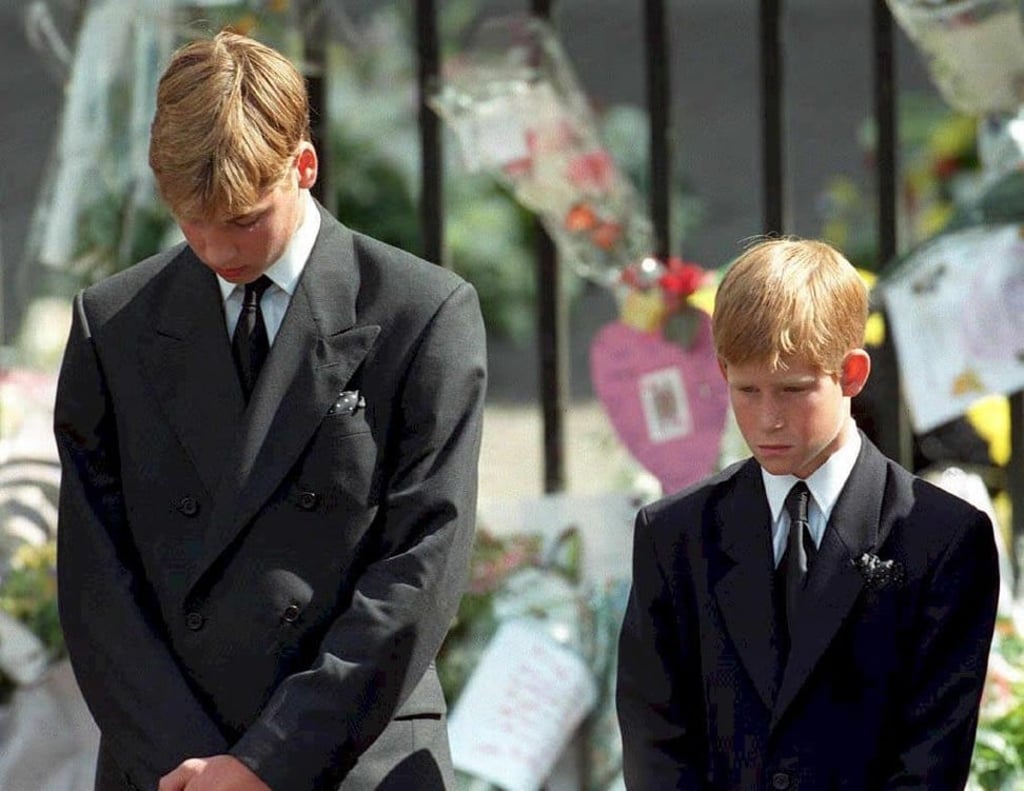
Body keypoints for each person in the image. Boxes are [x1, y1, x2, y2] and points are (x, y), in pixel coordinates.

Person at [53, 30, 486, 791]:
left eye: (246, 218)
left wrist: (266, 762)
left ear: (304, 167)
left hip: (352, 756)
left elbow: (420, 566)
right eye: (193, 221)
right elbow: (95, 582)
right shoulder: (112, 325)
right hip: (168, 766)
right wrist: (191, 766)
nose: (219, 247)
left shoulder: (423, 314)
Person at [615, 237, 999, 789]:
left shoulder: (940, 538)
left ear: (852, 375)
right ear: (722, 370)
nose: (767, 418)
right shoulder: (674, 536)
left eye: (793, 390)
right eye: (746, 390)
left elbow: (932, 757)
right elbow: (656, 743)